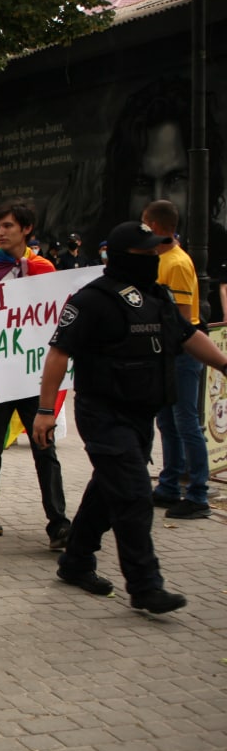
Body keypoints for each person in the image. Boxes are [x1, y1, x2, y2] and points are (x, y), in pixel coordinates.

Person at [32, 221, 227, 614]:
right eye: (147, 252)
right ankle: (145, 585)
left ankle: (75, 561)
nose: (156, 257)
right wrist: (44, 411)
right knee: (135, 495)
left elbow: (188, 336)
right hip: (103, 412)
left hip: (140, 415)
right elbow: (58, 353)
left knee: (109, 489)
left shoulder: (157, 296)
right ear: (126, 257)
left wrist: (225, 364)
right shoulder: (90, 300)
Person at [0, 200, 72, 547]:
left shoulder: (45, 269)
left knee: (44, 448)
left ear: (26, 229)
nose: (1, 233)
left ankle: (58, 523)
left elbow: (55, 316)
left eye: (8, 226)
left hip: (34, 375)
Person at [145, 200, 211, 519]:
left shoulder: (177, 264)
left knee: (186, 422)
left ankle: (198, 493)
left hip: (181, 353)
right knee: (168, 421)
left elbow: (183, 320)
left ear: (156, 227)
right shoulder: (160, 259)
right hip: (166, 352)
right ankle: (170, 485)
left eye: (145, 223)